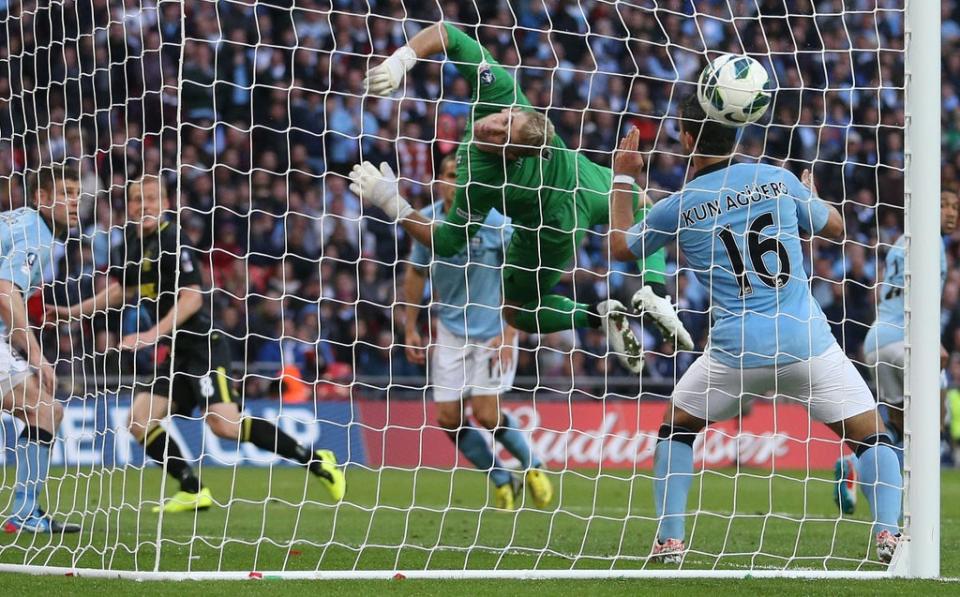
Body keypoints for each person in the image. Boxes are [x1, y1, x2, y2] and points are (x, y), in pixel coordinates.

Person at [609, 96, 903, 565]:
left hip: (735, 354)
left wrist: (623, 175)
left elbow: (621, 248)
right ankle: (890, 536)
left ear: (686, 140)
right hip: (807, 345)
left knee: (676, 431)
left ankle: (670, 540)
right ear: (738, 134)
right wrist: (810, 193)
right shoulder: (777, 179)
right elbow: (835, 225)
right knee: (872, 439)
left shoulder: (680, 205)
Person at [352, 22, 692, 375]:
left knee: (517, 311)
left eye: (503, 135)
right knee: (643, 205)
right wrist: (401, 60)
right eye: (504, 120)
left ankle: (617, 307)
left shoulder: (480, 182)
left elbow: (449, 242)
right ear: (513, 109)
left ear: (511, 155)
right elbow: (447, 33)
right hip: (585, 179)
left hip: (553, 227)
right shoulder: (500, 90)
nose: (493, 126)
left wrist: (392, 203)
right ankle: (641, 295)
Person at [49, 176, 345, 513]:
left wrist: (151, 335)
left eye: (151, 198)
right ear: (127, 206)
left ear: (165, 204)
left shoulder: (174, 239)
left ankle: (318, 460)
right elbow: (120, 289)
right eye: (136, 200)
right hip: (177, 351)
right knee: (139, 421)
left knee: (224, 425)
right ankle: (192, 488)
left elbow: (192, 297)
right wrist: (70, 312)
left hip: (203, 344)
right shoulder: (131, 241)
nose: (143, 205)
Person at [405, 154, 551, 511]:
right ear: (438, 180)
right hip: (450, 332)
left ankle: (534, 465)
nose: (454, 182)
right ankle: (501, 477)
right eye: (449, 175)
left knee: (487, 414)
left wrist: (510, 331)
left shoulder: (496, 222)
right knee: (448, 420)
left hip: (492, 331)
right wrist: (410, 325)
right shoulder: (428, 222)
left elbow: (522, 275)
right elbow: (415, 274)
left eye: (461, 176)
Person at [833, 190, 960, 511]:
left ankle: (855, 467)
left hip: (877, 343)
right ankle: (917, 504)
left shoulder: (901, 243)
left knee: (901, 429)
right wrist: (934, 345)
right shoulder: (932, 247)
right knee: (932, 425)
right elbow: (921, 300)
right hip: (906, 342)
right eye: (943, 204)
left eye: (955, 207)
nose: (950, 212)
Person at [1, 164, 82, 533]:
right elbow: (5, 291)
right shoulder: (36, 230)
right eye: (65, 193)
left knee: (47, 411)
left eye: (78, 194)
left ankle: (25, 513)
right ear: (41, 197)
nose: (75, 202)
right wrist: (36, 356)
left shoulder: (19, 223)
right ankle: (24, 515)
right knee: (44, 409)